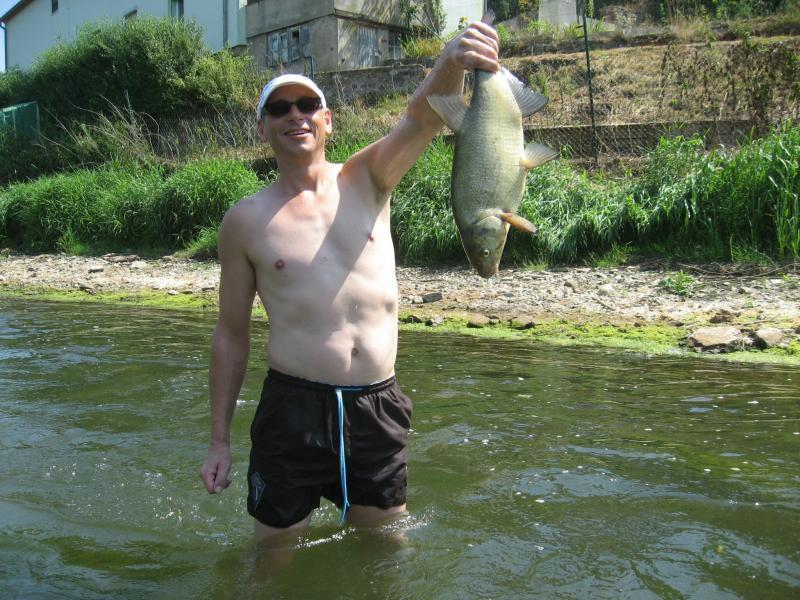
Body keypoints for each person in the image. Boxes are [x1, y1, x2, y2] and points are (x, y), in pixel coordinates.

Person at [199, 20, 500, 543]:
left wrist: (453, 59)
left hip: (376, 406)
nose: (295, 115)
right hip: (292, 409)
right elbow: (231, 333)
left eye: (307, 105)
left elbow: (423, 118)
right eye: (279, 109)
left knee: (385, 548)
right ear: (262, 128)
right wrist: (219, 441)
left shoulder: (368, 178)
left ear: (327, 120)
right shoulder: (244, 221)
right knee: (274, 554)